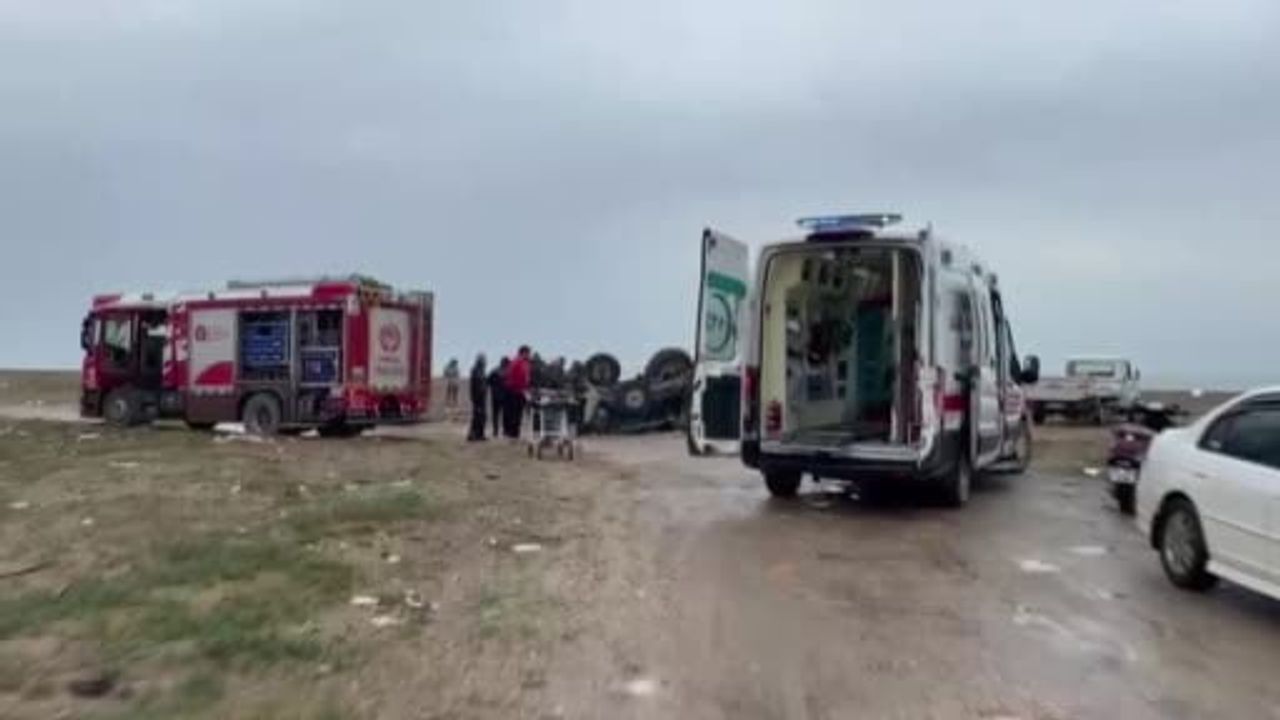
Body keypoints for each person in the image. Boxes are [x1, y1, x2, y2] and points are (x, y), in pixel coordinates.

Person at [504, 346, 532, 438]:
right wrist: (522, 388)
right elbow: (516, 378)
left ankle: (514, 432)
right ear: (523, 353)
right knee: (515, 413)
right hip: (516, 392)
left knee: (517, 413)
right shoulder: (517, 362)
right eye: (528, 353)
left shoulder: (523, 363)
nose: (529, 355)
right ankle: (513, 433)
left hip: (519, 391)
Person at [467, 354, 487, 441]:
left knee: (482, 416)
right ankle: (472, 435)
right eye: (483, 360)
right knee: (477, 416)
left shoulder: (481, 370)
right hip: (477, 397)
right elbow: (476, 385)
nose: (484, 362)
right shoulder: (475, 370)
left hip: (482, 397)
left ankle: (480, 434)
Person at [488, 357, 509, 439]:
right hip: (505, 396)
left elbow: (488, 382)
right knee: (505, 415)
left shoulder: (494, 370)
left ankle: (495, 431)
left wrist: (493, 388)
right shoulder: (508, 372)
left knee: (495, 414)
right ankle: (504, 431)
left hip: (495, 395)